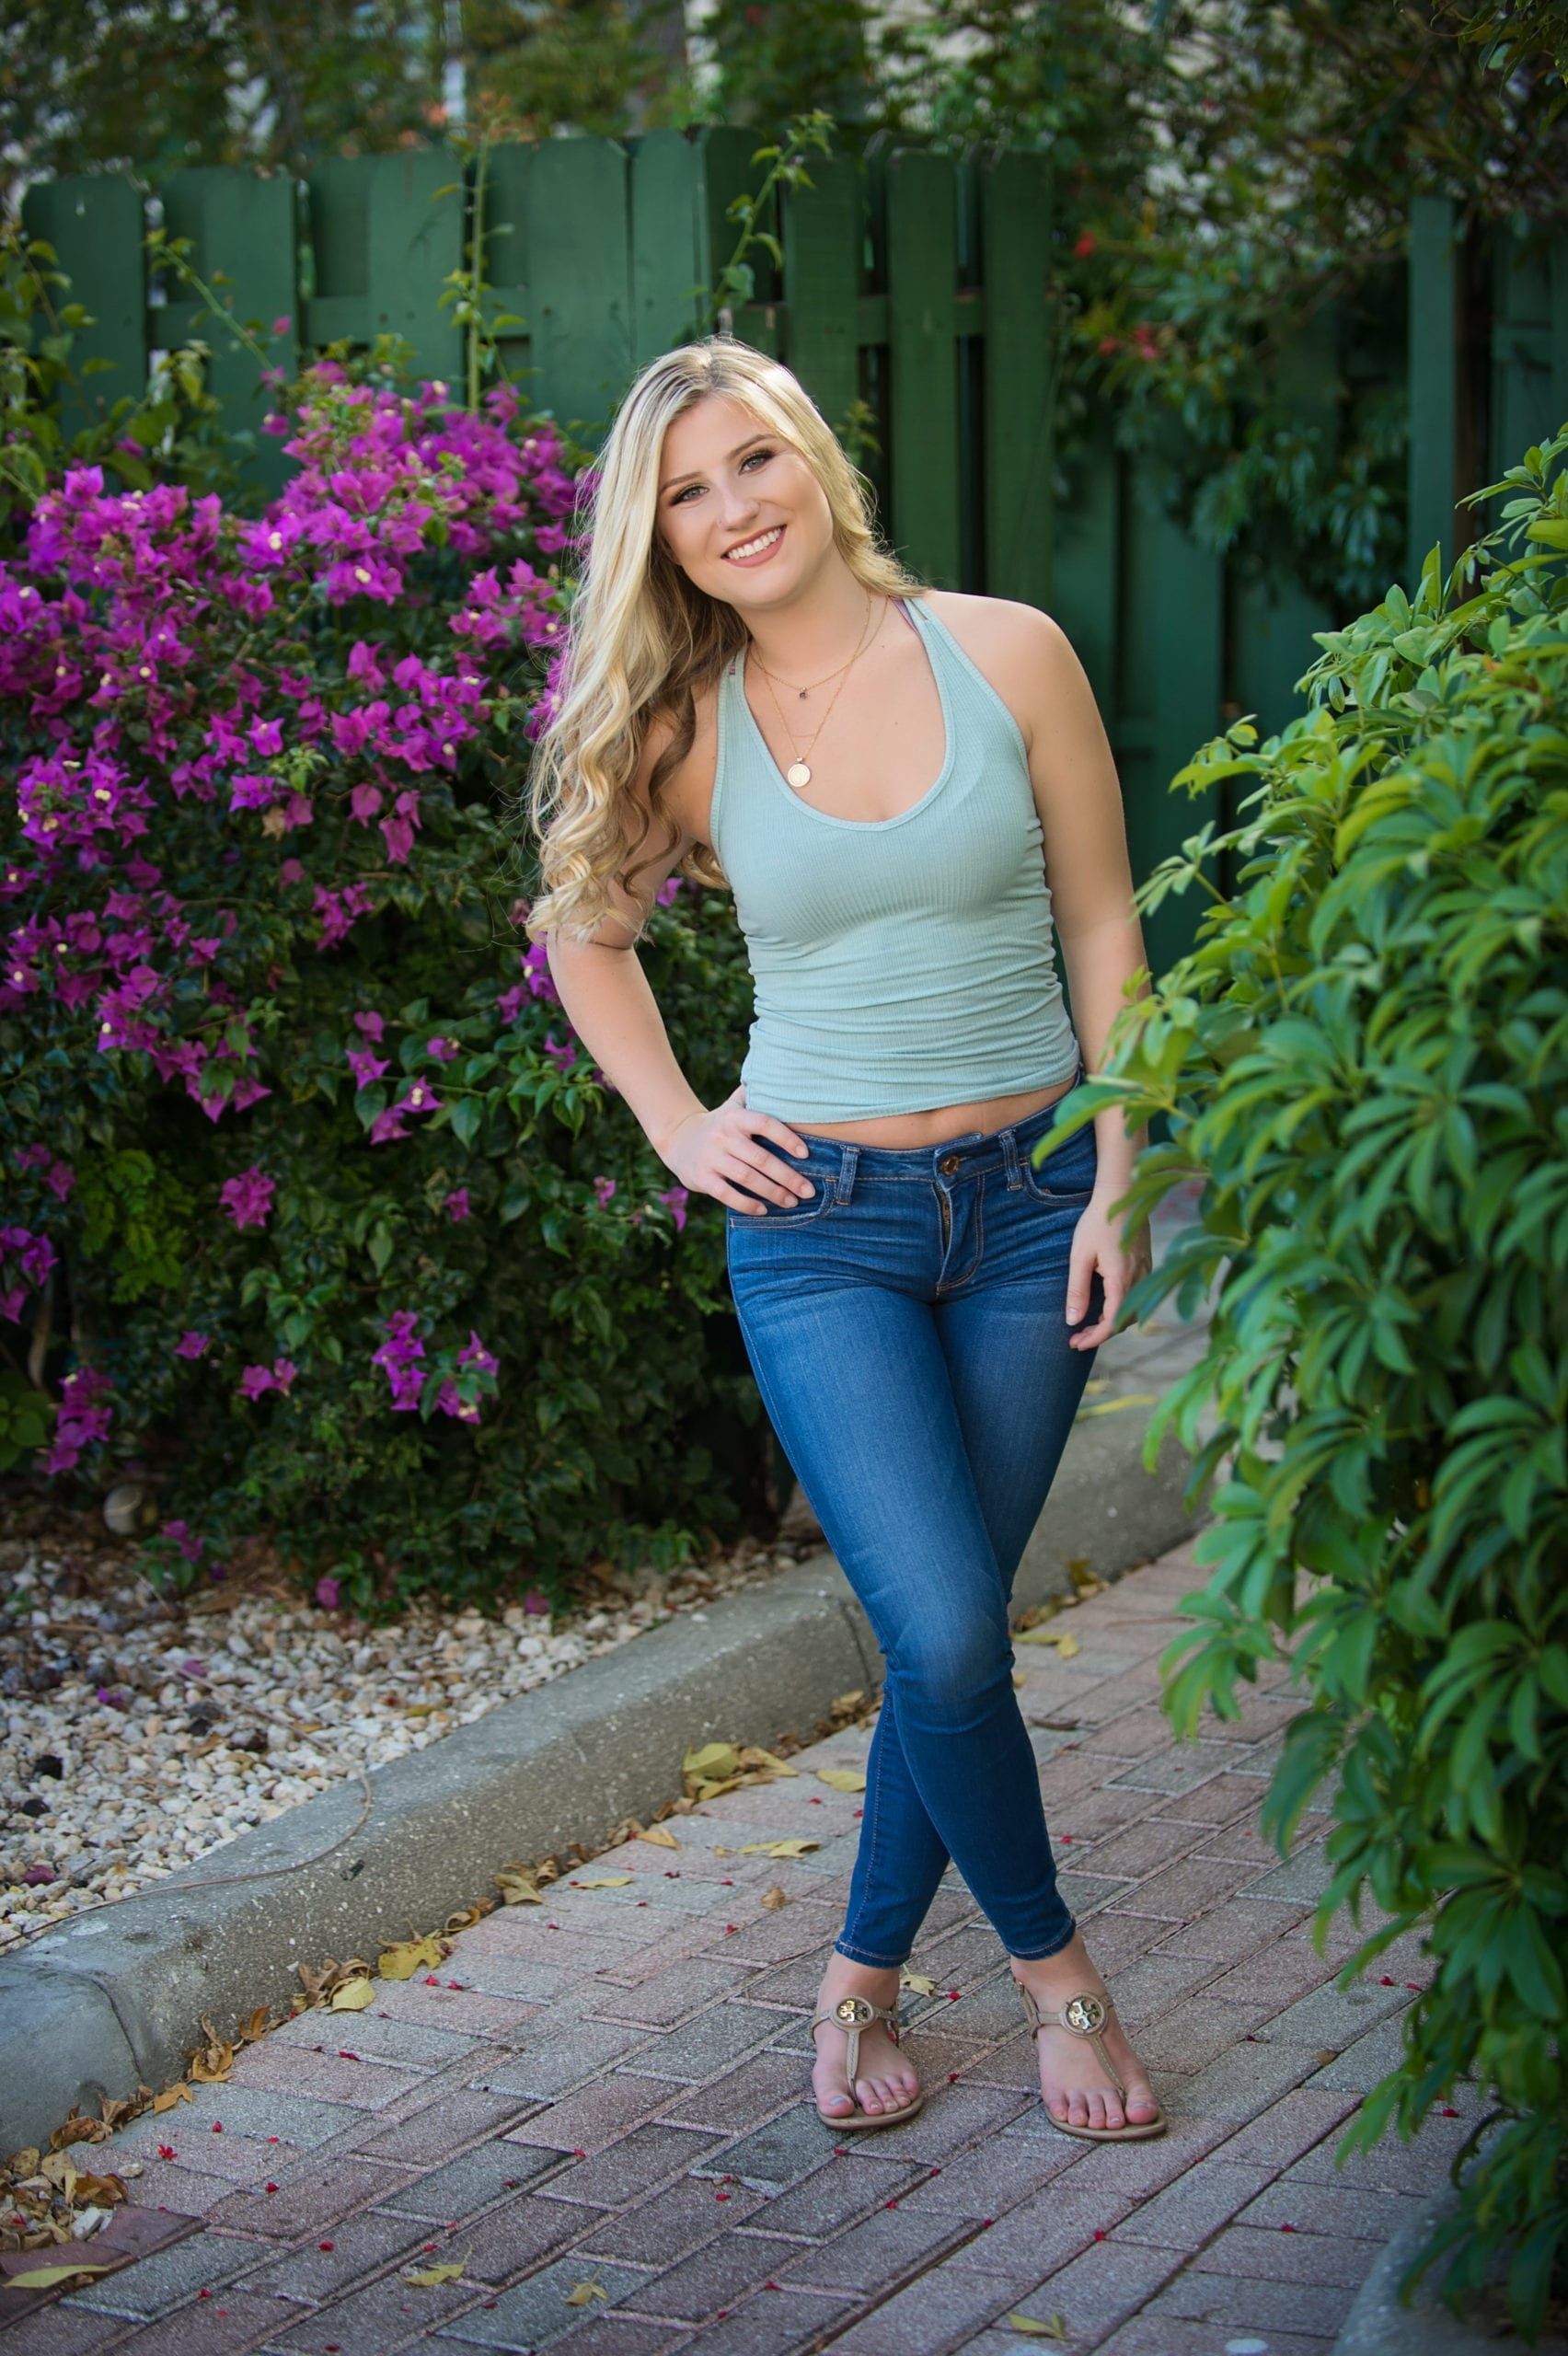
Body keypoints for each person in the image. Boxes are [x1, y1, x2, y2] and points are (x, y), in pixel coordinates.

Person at [525, 334, 1165, 2144]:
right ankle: (1060, 1978)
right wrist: (678, 1123)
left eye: (754, 459)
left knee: (941, 1643)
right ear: (659, 538)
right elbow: (581, 932)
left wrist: (1122, 1167)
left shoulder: (1008, 652)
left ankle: (860, 1972)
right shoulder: (681, 729)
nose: (734, 507)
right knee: (949, 1630)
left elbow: (1104, 922)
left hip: (1033, 1205)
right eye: (687, 492)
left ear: (814, 459)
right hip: (822, 1228)